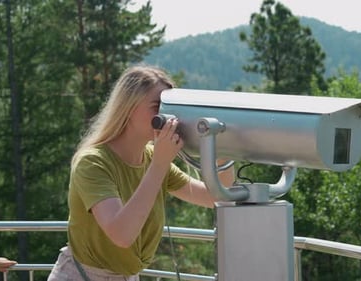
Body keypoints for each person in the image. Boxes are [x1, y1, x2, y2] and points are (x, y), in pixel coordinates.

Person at [47, 65, 234, 281]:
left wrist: (222, 148)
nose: (167, 117)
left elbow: (216, 197)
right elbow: (122, 234)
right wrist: (160, 164)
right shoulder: (92, 162)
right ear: (127, 108)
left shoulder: (153, 158)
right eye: (157, 107)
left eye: (169, 108)